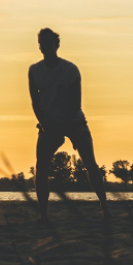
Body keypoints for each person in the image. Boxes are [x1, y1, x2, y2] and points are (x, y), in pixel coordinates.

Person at [29, 28, 109, 222]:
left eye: (49, 42)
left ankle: (105, 208)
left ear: (57, 45)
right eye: (42, 42)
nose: (45, 46)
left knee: (90, 163)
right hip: (48, 124)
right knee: (41, 168)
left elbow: (76, 103)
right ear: (39, 46)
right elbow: (35, 103)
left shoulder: (70, 69)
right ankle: (43, 214)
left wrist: (63, 126)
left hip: (74, 121)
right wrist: (46, 125)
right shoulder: (35, 70)